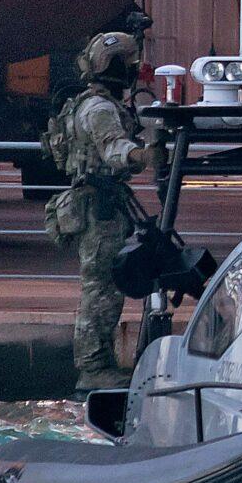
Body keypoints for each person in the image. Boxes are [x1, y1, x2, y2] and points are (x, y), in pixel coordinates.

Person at [42, 31, 151, 392]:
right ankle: (93, 369)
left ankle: (97, 365)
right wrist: (142, 155)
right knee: (101, 290)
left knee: (104, 287)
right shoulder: (100, 108)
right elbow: (114, 147)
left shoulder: (86, 102)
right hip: (99, 208)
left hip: (99, 203)